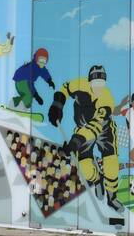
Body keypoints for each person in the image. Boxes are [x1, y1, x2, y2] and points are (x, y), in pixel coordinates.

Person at [48, 65, 121, 212]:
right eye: (96, 83)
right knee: (85, 168)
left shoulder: (107, 99)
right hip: (82, 128)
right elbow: (65, 88)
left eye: (102, 83)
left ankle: (112, 198)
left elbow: (95, 127)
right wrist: (57, 105)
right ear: (89, 82)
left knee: (111, 165)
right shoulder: (80, 84)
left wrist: (75, 142)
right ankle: (97, 179)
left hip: (103, 129)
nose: (99, 86)